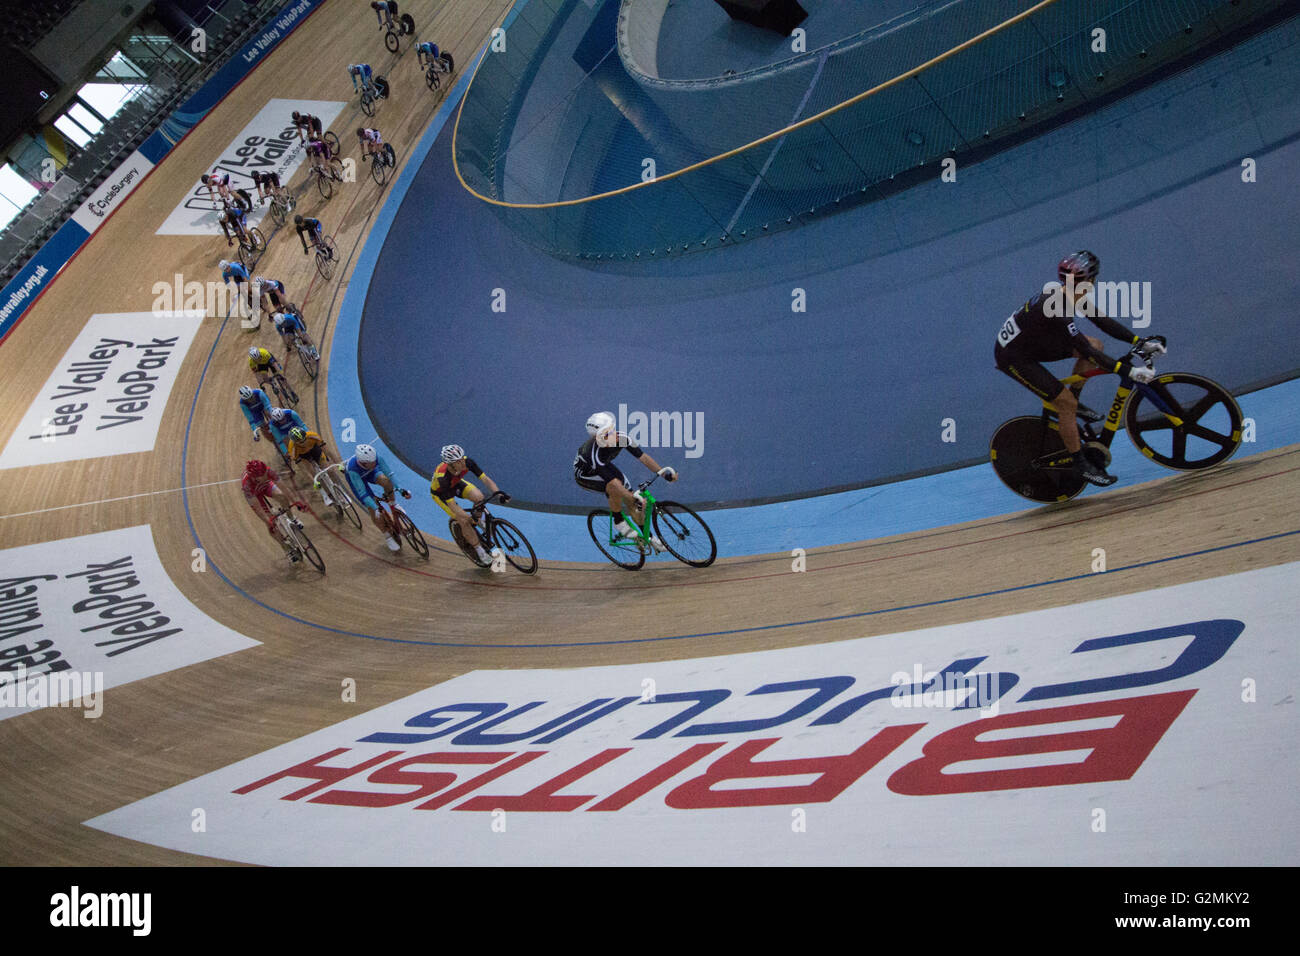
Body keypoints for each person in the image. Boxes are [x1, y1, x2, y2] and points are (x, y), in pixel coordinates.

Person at [994, 250, 1167, 487]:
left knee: (1096, 343)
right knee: (1066, 402)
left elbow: (1101, 321)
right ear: (1090, 281)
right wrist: (1129, 372)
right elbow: (1087, 352)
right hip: (1013, 358)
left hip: (1034, 343)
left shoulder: (1071, 294)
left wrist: (1139, 342)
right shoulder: (1058, 309)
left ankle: (1073, 401)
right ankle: (1080, 463)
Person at [574, 411, 677, 552]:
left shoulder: (621, 438)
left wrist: (662, 473)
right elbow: (613, 484)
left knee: (632, 502)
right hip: (587, 475)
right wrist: (634, 499)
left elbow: (643, 457)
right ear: (600, 437)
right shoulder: (594, 456)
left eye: (612, 429)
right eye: (608, 432)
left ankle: (649, 538)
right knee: (617, 489)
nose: (614, 433)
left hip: (605, 466)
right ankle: (619, 522)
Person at [430, 444, 509, 565]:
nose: (462, 462)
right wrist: (468, 518)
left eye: (462, 458)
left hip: (456, 484)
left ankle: (477, 520)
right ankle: (479, 551)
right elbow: (453, 506)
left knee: (479, 497)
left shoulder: (468, 462)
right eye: (458, 461)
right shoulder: (443, 478)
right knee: (463, 520)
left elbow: (485, 479)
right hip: (441, 493)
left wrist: (499, 494)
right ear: (450, 464)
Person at [342, 443, 410, 552]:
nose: (375, 463)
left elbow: (390, 474)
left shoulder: (374, 458)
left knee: (386, 481)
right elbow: (363, 493)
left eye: (375, 460)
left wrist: (400, 489)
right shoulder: (352, 469)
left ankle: (394, 505)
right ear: (363, 463)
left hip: (371, 472)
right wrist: (375, 507)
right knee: (373, 509)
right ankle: (387, 535)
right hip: (358, 479)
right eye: (372, 462)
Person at [241, 459, 308, 555]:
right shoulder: (247, 485)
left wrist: (296, 502)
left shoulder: (268, 471)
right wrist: (268, 521)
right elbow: (258, 508)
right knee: (270, 523)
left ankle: (292, 518)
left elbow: (284, 488)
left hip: (266, 486)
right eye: (262, 475)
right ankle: (286, 549)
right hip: (255, 495)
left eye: (265, 473)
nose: (265, 475)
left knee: (283, 497)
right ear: (254, 477)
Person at [288, 427, 338, 506]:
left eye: (304, 439)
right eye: (301, 442)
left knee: (330, 470)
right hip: (304, 456)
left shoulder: (312, 435)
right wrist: (314, 481)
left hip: (315, 450)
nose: (304, 442)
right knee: (314, 474)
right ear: (295, 442)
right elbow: (303, 469)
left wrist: (338, 463)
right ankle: (325, 495)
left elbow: (327, 450)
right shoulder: (292, 449)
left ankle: (339, 489)